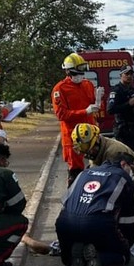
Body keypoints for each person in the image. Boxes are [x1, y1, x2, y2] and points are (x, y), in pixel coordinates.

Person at [55, 154, 134, 266]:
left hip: (65, 223)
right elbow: (127, 222)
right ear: (124, 164)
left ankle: (74, 259)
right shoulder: (123, 177)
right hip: (97, 224)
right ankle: (100, 260)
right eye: (132, 169)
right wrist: (127, 245)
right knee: (123, 256)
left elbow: (67, 201)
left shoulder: (84, 172)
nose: (132, 174)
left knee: (67, 258)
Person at [52, 52, 98, 183]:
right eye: (77, 73)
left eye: (82, 72)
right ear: (68, 71)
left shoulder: (88, 85)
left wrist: (99, 99)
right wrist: (85, 112)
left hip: (91, 134)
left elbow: (93, 104)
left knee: (96, 169)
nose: (80, 76)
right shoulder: (60, 89)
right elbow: (62, 114)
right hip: (73, 137)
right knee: (76, 173)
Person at [106, 64, 134, 158]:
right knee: (126, 159)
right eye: (126, 74)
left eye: (131, 74)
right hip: (123, 130)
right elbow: (110, 109)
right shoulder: (116, 90)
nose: (129, 76)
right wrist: (128, 104)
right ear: (121, 75)